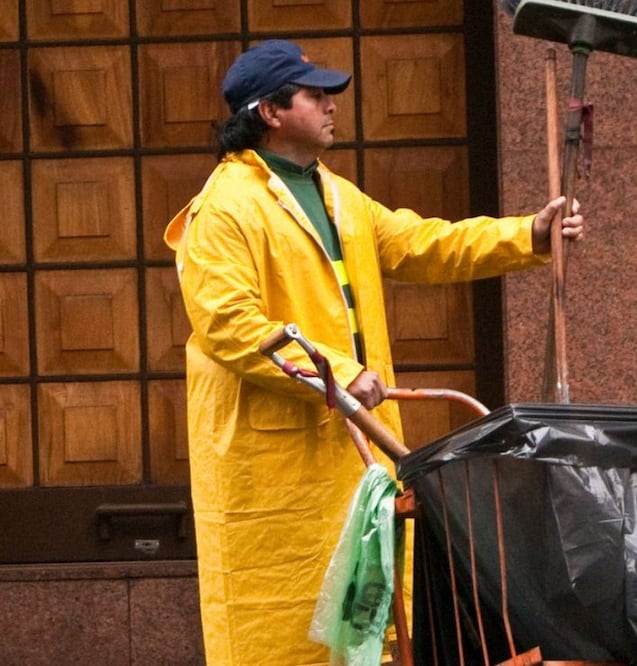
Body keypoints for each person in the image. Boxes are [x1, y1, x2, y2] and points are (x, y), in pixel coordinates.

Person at [163, 39, 584, 666]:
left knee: (372, 624)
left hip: (352, 446)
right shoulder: (225, 208)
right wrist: (338, 371)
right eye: (315, 95)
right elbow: (230, 325)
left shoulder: (335, 194)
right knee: (286, 632)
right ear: (271, 112)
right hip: (277, 463)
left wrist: (527, 233)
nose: (333, 105)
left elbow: (420, 245)